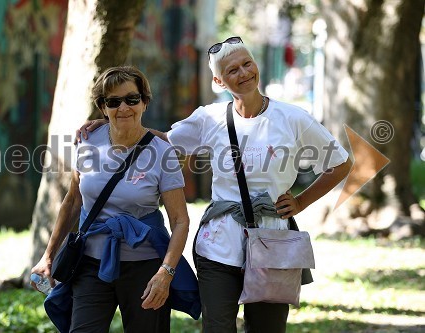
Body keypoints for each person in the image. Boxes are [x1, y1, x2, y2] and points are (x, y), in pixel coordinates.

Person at [76, 37, 352, 333]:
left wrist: (301, 201)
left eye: (247, 64)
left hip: (272, 242)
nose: (243, 73)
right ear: (219, 81)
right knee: (217, 327)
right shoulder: (210, 118)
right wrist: (109, 124)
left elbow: (341, 163)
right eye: (232, 70)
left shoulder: (294, 118)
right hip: (218, 244)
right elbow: (165, 139)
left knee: (267, 328)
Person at [31, 66, 200, 333]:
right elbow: (73, 202)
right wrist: (48, 256)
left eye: (132, 99)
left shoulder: (162, 153)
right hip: (90, 264)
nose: (123, 108)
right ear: (103, 107)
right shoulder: (87, 142)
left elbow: (180, 220)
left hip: (146, 267)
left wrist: (165, 272)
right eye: (113, 101)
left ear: (144, 102)